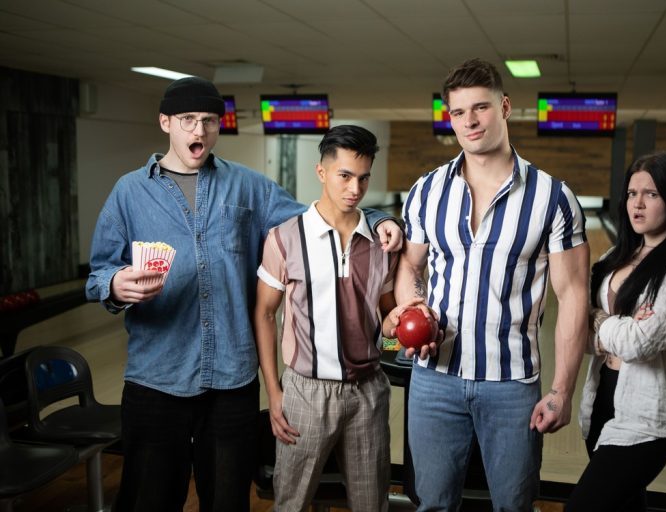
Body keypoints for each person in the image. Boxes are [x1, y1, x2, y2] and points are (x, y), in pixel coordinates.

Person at [85, 77, 402, 512]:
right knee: (148, 499)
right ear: (165, 123)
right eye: (187, 120)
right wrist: (114, 285)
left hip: (231, 378)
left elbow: (321, 218)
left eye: (209, 121)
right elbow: (98, 273)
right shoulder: (129, 191)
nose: (199, 131)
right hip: (157, 376)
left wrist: (380, 217)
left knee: (228, 500)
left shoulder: (249, 187)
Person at [395, 58, 590, 511]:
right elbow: (409, 268)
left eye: (480, 108)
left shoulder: (553, 198)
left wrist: (562, 390)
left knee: (513, 507)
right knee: (432, 505)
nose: (470, 121)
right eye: (458, 112)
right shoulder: (426, 191)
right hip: (435, 380)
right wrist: (414, 307)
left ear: (504, 107)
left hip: (512, 385)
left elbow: (573, 296)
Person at [255, 125, 418, 511]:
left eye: (363, 178)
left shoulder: (381, 243)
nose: (354, 188)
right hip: (305, 392)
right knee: (291, 503)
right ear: (322, 172)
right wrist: (274, 393)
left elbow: (385, 318)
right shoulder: (284, 238)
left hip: (369, 391)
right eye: (345, 175)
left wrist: (398, 327)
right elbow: (264, 313)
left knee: (371, 503)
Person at [566, 151, 666, 512]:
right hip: (603, 399)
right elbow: (582, 333)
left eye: (651, 194)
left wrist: (598, 319)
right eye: (632, 193)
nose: (637, 204)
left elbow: (638, 344)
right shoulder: (613, 259)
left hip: (649, 417)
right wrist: (616, 327)